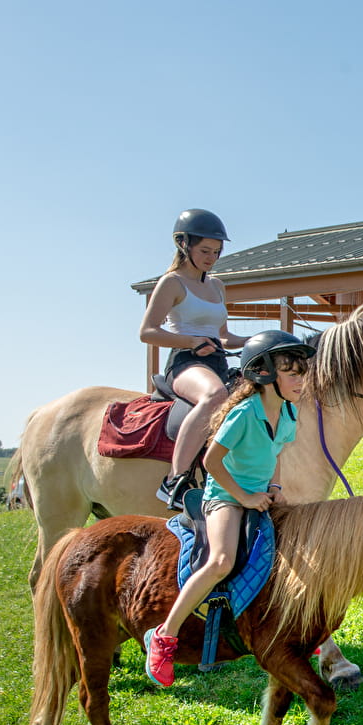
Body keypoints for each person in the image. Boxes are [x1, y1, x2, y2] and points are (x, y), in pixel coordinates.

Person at [142, 331, 314, 687]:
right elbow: (212, 461)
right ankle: (164, 636)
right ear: (264, 374)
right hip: (224, 495)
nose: (301, 380)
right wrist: (245, 497)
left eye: (302, 372)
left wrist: (275, 487)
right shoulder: (244, 414)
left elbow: (276, 452)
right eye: (292, 373)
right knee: (220, 561)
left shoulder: (287, 412)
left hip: (260, 494)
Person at [139, 209, 250, 511]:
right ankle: (174, 480)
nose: (211, 257)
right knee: (215, 395)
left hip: (217, 361)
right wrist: (191, 341)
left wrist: (258, 340)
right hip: (185, 362)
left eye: (216, 252)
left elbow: (224, 337)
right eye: (205, 251)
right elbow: (147, 332)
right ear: (183, 244)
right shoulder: (172, 283)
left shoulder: (217, 286)